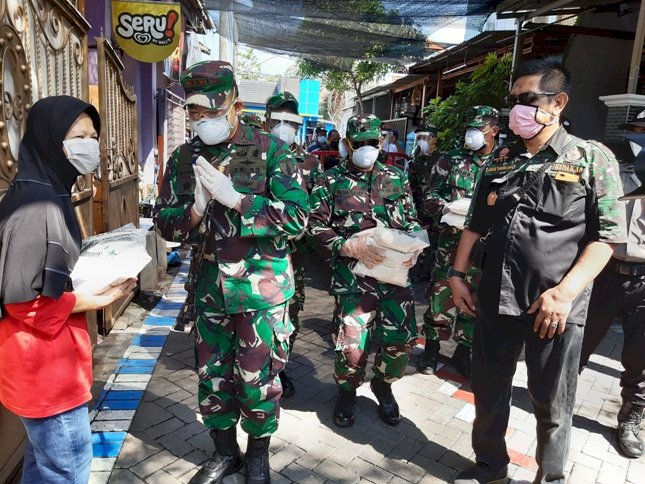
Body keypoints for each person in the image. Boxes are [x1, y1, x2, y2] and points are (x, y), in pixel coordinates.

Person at [449, 58, 626, 484]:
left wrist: (564, 294)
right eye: (513, 101)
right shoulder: (498, 161)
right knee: (489, 392)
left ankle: (550, 477)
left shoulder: (590, 158)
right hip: (494, 297)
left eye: (527, 99)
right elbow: (474, 223)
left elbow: (608, 239)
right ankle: (490, 469)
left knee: (552, 402)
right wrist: (456, 276)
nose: (516, 110)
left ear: (558, 102)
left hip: (554, 308)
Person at [154, 61, 309, 484]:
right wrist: (197, 209)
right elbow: (164, 222)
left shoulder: (270, 150)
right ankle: (226, 454)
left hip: (261, 289)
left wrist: (238, 201)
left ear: (235, 104)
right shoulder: (185, 157)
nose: (202, 121)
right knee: (213, 376)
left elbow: (297, 219)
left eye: (211, 111)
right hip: (208, 290)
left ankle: (258, 457)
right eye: (195, 113)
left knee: (258, 380)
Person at [0, 96, 137, 483]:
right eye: (77, 136)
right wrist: (93, 299)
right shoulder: (36, 205)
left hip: (49, 366)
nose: (89, 145)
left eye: (93, 136)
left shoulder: (48, 192)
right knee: (67, 471)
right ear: (48, 140)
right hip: (44, 372)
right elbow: (23, 303)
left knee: (44, 469)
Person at [308, 114, 421, 428]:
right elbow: (313, 227)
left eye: (373, 142)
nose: (368, 148)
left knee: (401, 341)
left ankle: (383, 385)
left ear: (381, 141)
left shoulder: (397, 177)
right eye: (360, 143)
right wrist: (346, 246)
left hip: (395, 277)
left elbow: (411, 221)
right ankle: (346, 392)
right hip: (353, 279)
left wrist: (414, 247)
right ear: (347, 144)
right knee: (351, 346)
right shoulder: (330, 180)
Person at [578, 109, 645, 459]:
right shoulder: (613, 172)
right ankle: (555, 396)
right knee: (578, 341)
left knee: (640, 359)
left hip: (644, 280)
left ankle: (630, 418)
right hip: (604, 274)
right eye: (639, 130)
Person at [418, 107, 499, 379]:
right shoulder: (450, 159)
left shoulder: (505, 162)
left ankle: (463, 353)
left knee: (475, 298)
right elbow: (429, 196)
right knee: (441, 296)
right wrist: (450, 210)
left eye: (478, 128)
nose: (471, 134)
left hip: (485, 249)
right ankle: (431, 348)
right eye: (469, 128)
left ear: (494, 131)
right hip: (450, 246)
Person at [264, 91, 320, 397]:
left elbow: (319, 205)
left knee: (290, 311)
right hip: (257, 252)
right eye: (279, 118)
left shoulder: (309, 162)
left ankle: (279, 368)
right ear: (267, 118)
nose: (284, 125)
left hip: (293, 254)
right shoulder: (253, 152)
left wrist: (305, 227)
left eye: (291, 119)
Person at [407, 126, 441, 284]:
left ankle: (435, 271)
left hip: (438, 208)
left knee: (436, 241)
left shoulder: (443, 160)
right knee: (421, 241)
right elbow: (411, 187)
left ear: (434, 139)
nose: (421, 141)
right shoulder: (417, 161)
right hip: (421, 207)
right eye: (418, 138)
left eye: (424, 138)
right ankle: (422, 270)